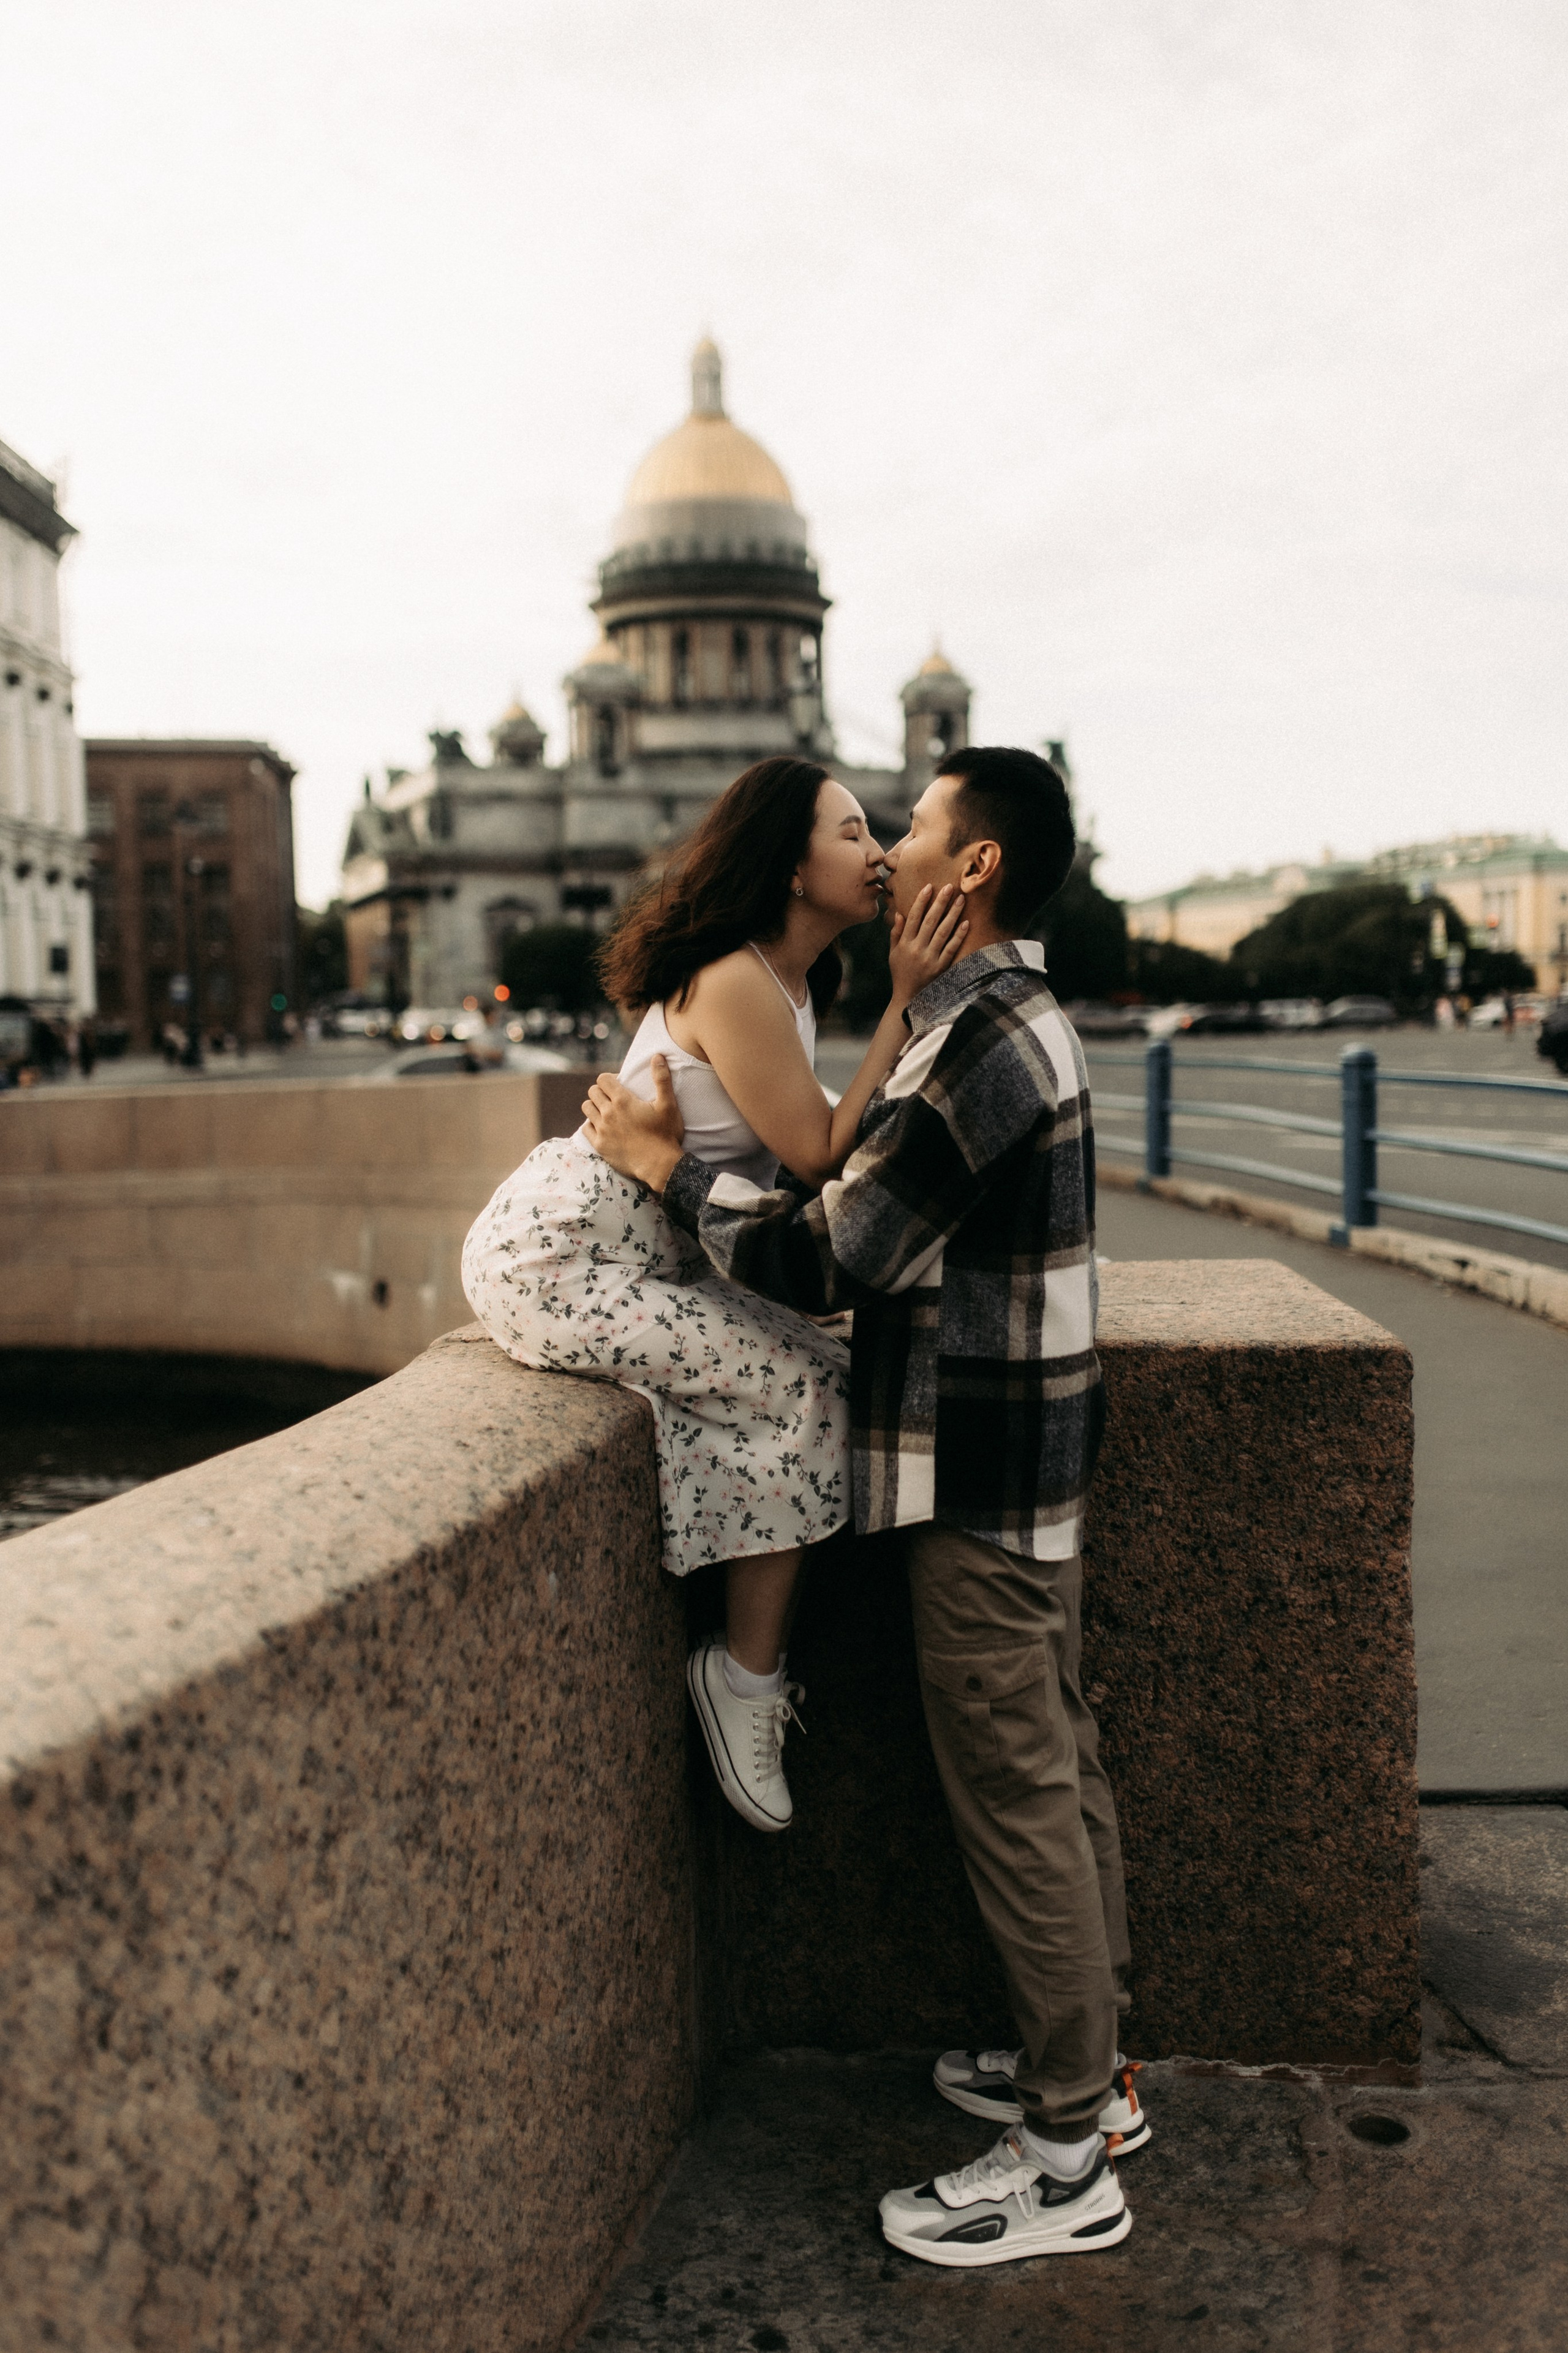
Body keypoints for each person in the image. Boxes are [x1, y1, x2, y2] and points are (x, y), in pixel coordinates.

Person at [583, 745, 1141, 2268]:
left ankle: (1061, 2152)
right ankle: (1094, 2073)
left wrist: (667, 1175)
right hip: (1016, 1455)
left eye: (914, 827)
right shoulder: (986, 1013)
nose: (888, 845)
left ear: (972, 873)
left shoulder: (980, 1039)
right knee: (1059, 1759)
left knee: (1018, 1791)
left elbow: (835, 1254)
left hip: (972, 1467)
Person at [461, 755, 968, 1835]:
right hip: (562, 1254)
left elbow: (817, 1156)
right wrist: (908, 1001)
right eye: (850, 834)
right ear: (790, 867)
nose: (878, 855)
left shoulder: (789, 983)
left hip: (653, 1249)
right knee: (795, 1388)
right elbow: (821, 1152)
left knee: (834, 1358)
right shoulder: (736, 978)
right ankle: (741, 1678)